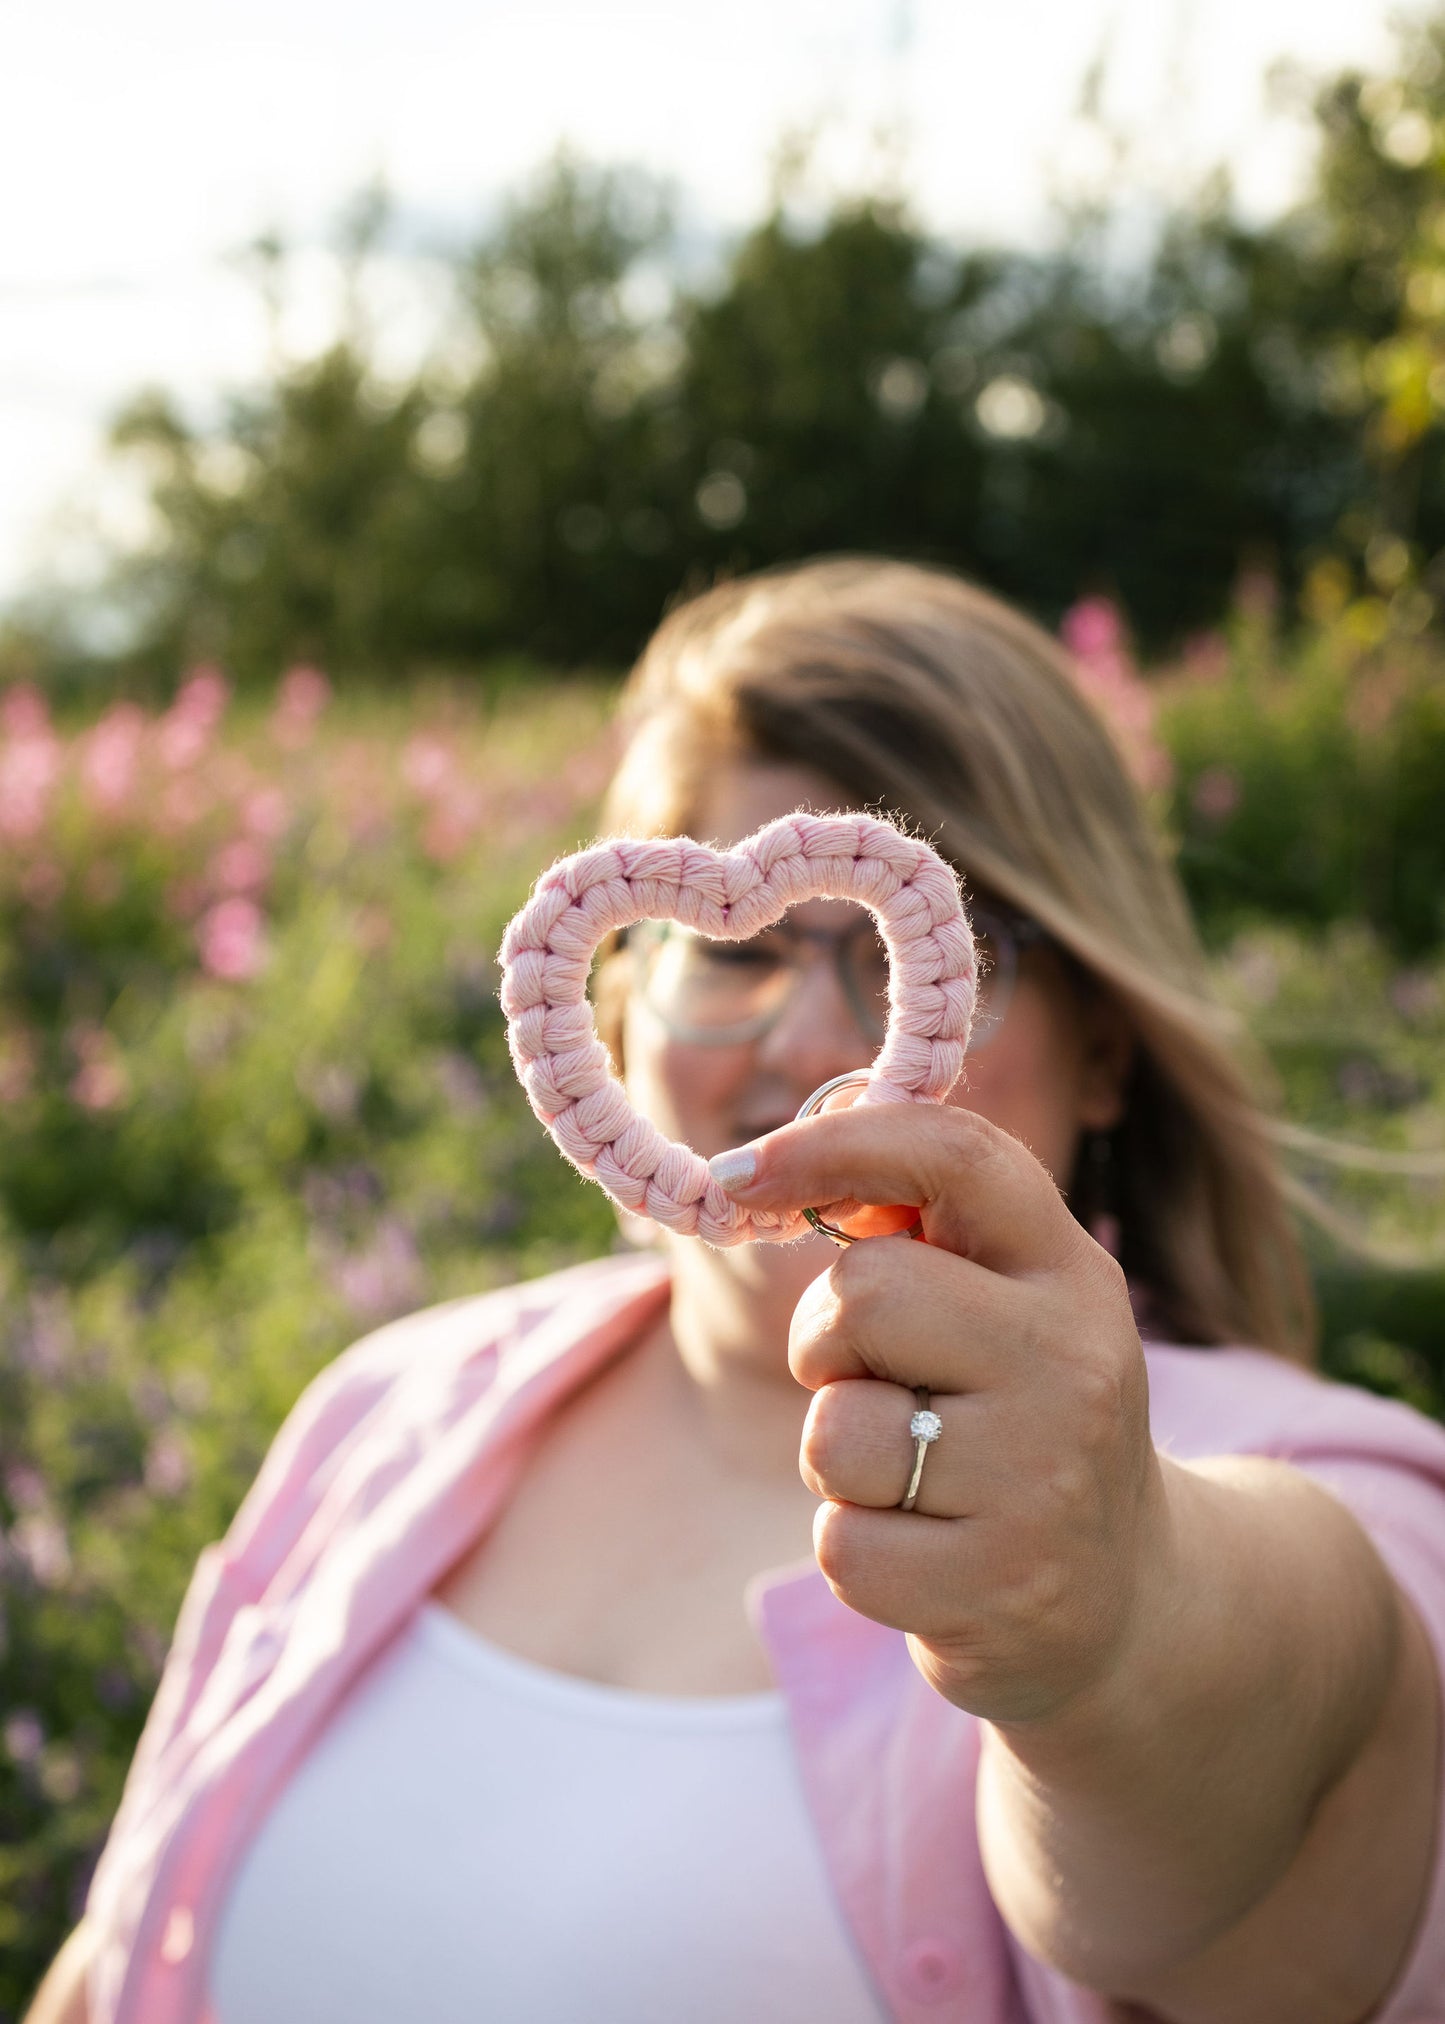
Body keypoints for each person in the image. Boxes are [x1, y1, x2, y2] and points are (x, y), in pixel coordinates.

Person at [28, 558, 1445, 2024]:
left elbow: (1335, 1731)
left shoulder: (1303, 1470)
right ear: (621, 1008)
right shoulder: (386, 1410)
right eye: (738, 953)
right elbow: (113, 1961)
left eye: (936, 961)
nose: (816, 1051)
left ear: (1105, 1050)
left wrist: (1120, 1604)